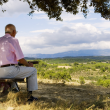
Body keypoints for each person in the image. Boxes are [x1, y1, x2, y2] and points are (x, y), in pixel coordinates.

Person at [0, 24, 38, 102]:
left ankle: (15, 92)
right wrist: (28, 65)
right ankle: (30, 97)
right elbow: (20, 59)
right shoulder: (13, 40)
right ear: (13, 31)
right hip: (9, 70)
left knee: (14, 72)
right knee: (33, 70)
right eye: (16, 32)